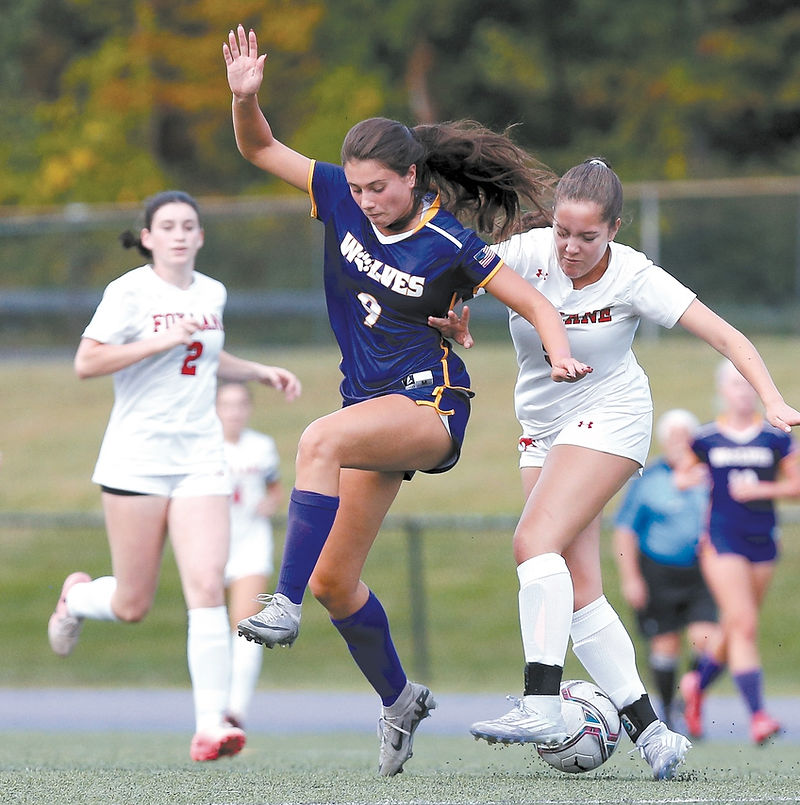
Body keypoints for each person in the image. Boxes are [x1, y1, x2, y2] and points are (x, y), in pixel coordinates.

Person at [222, 25, 589, 776]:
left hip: (429, 406)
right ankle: (399, 698)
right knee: (335, 579)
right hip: (371, 411)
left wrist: (559, 353)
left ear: (414, 176)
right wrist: (245, 100)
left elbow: (534, 303)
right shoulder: (339, 196)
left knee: (317, 441)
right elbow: (260, 148)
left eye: (378, 188)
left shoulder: (448, 242)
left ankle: (278, 603)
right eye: (355, 189)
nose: (364, 201)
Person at [432, 158, 800, 779]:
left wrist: (772, 400)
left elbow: (727, 337)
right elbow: (450, 272)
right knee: (579, 582)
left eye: (587, 236)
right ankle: (653, 735)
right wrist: (458, 315)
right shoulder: (528, 251)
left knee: (532, 541)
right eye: (563, 231)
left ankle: (540, 700)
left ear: (614, 229)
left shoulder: (635, 274)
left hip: (612, 417)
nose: (570, 247)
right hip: (541, 429)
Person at [46, 190, 302, 762]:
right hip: (136, 457)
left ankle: (210, 725)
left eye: (190, 225)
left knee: (207, 586)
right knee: (133, 603)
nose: (180, 234)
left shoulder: (213, 291)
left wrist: (258, 371)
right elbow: (86, 362)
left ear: (201, 236)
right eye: (168, 226)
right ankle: (78, 599)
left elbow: (205, 356)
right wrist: (160, 338)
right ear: (148, 237)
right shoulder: (129, 291)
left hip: (200, 459)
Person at [680, 358, 800, 745]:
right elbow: (682, 475)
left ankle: (696, 685)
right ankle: (758, 716)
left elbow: (797, 488)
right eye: (735, 384)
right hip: (721, 540)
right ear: (722, 390)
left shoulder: (776, 437)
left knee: (736, 626)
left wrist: (761, 490)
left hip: (763, 539)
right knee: (744, 622)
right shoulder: (704, 439)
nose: (742, 391)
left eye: (747, 384)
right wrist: (692, 477)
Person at [611, 408, 722, 731]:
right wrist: (631, 577)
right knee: (665, 644)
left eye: (685, 436)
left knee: (708, 639)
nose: (680, 443)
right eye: (673, 437)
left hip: (703, 570)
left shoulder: (711, 475)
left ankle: (693, 697)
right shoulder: (652, 479)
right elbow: (625, 530)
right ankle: (669, 711)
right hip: (658, 571)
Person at [216, 380, 283, 729]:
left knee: (244, 625)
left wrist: (270, 503)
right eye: (227, 404)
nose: (234, 412)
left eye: (241, 404)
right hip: (211, 543)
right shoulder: (204, 446)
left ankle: (235, 712)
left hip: (250, 543)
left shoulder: (262, 447)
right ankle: (211, 708)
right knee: (210, 623)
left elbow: (275, 489)